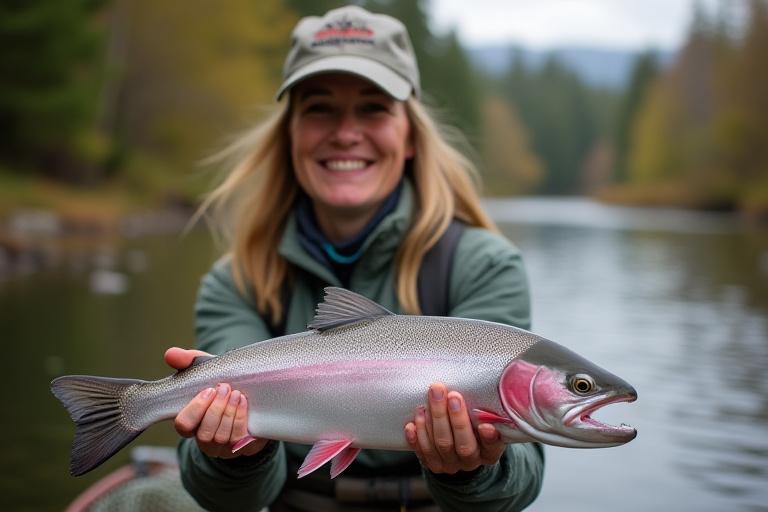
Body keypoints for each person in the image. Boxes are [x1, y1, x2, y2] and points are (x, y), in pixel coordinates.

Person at [164, 5, 544, 511]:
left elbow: (520, 484)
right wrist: (235, 453)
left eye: (373, 108)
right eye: (320, 108)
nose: (346, 132)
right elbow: (229, 500)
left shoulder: (484, 265)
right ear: (290, 133)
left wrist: (478, 468)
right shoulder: (236, 281)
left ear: (409, 134)